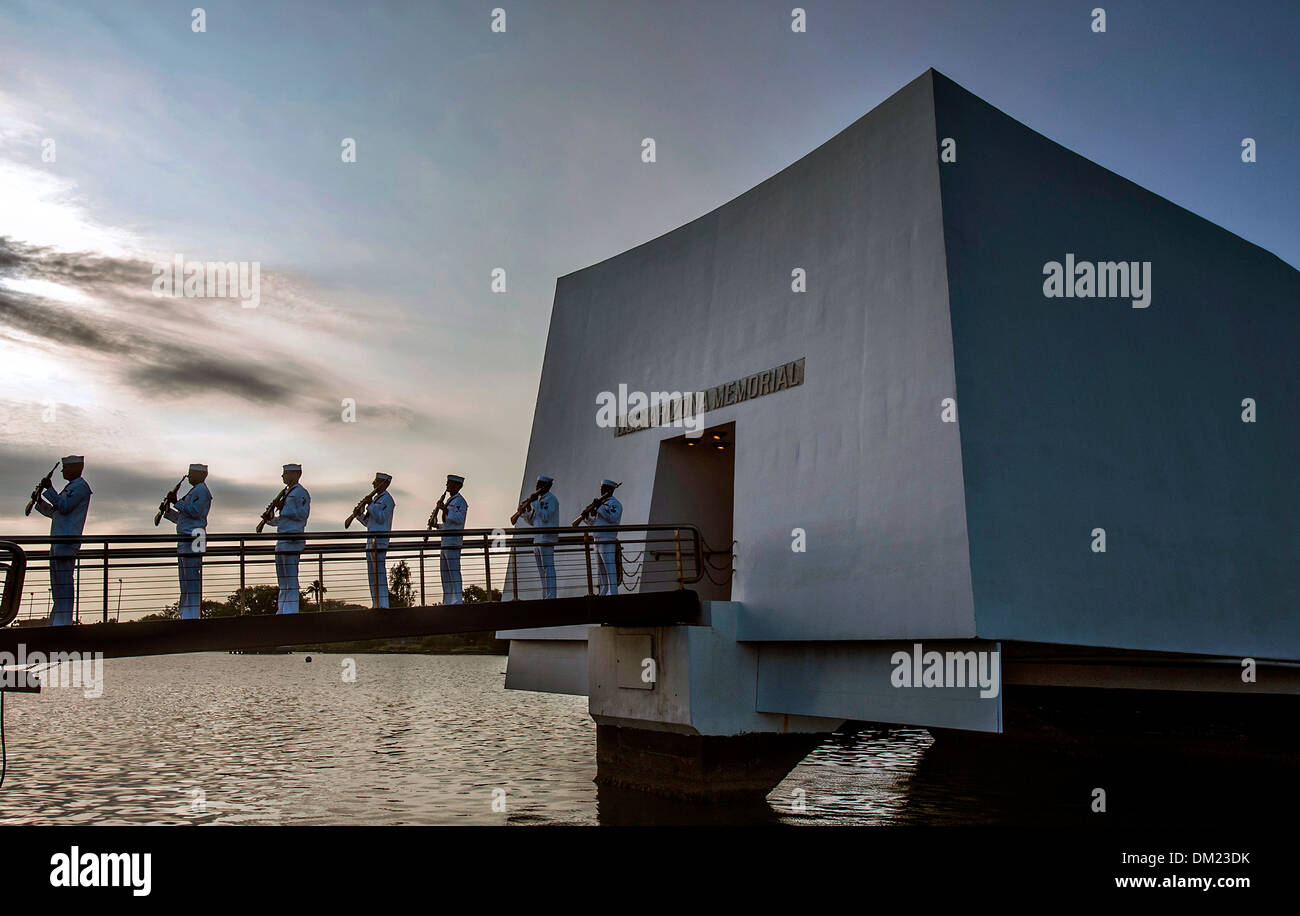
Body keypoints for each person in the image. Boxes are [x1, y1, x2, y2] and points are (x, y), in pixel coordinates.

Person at [32, 455, 92, 626]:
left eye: (65, 469)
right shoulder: (70, 488)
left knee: (64, 584)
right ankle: (57, 621)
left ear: (75, 469)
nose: (63, 471)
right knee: (58, 586)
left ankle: (63, 623)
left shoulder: (80, 487)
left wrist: (50, 489)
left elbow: (64, 507)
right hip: (58, 540)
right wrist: (40, 502)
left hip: (67, 541)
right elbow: (56, 513)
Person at [163, 464, 212, 619]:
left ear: (200, 474)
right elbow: (184, 518)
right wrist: (168, 512)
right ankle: (186, 615)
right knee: (185, 580)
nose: (188, 476)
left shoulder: (203, 492)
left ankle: (191, 616)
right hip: (186, 537)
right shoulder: (195, 491)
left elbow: (196, 513)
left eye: (191, 474)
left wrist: (177, 502)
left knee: (191, 579)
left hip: (195, 537)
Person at [264, 463, 310, 614]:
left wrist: (282, 507)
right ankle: (282, 610)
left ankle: (290, 611)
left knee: (291, 579)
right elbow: (283, 520)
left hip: (293, 540)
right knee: (283, 582)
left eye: (285, 473)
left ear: (295, 475)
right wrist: (269, 519)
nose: (283, 476)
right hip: (282, 540)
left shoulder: (301, 493)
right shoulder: (287, 492)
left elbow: (301, 515)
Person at [360, 472, 394, 608]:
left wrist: (370, 505)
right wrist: (359, 514)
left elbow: (381, 518)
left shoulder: (387, 500)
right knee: (372, 575)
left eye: (376, 481)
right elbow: (369, 522)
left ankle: (383, 604)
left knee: (379, 573)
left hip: (379, 541)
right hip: (370, 540)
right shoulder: (375, 499)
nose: (373, 483)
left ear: (384, 484)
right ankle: (376, 603)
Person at [583, 479, 623, 596]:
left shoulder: (614, 503)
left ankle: (613, 593)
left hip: (607, 539)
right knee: (601, 572)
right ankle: (604, 592)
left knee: (609, 569)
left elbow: (612, 518)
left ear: (609, 490)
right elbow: (595, 523)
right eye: (601, 487)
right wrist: (587, 517)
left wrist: (599, 508)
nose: (601, 490)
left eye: (603, 488)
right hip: (597, 540)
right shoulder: (603, 504)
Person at [522, 474, 559, 599]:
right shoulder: (539, 501)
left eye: (540, 485)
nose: (537, 487)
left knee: (548, 568)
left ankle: (551, 595)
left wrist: (534, 504)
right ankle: (545, 595)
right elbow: (533, 521)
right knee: (541, 570)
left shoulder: (551, 499)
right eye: (537, 485)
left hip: (547, 538)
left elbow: (546, 516)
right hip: (538, 538)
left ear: (546, 486)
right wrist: (527, 508)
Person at [435, 474, 468, 604]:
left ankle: (457, 600)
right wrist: (437, 525)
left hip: (453, 541)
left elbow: (459, 520)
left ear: (457, 485)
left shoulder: (460, 502)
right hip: (445, 541)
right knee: (445, 574)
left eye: (449, 483)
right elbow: (448, 524)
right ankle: (448, 600)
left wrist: (445, 510)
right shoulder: (451, 501)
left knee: (454, 571)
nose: (447, 485)